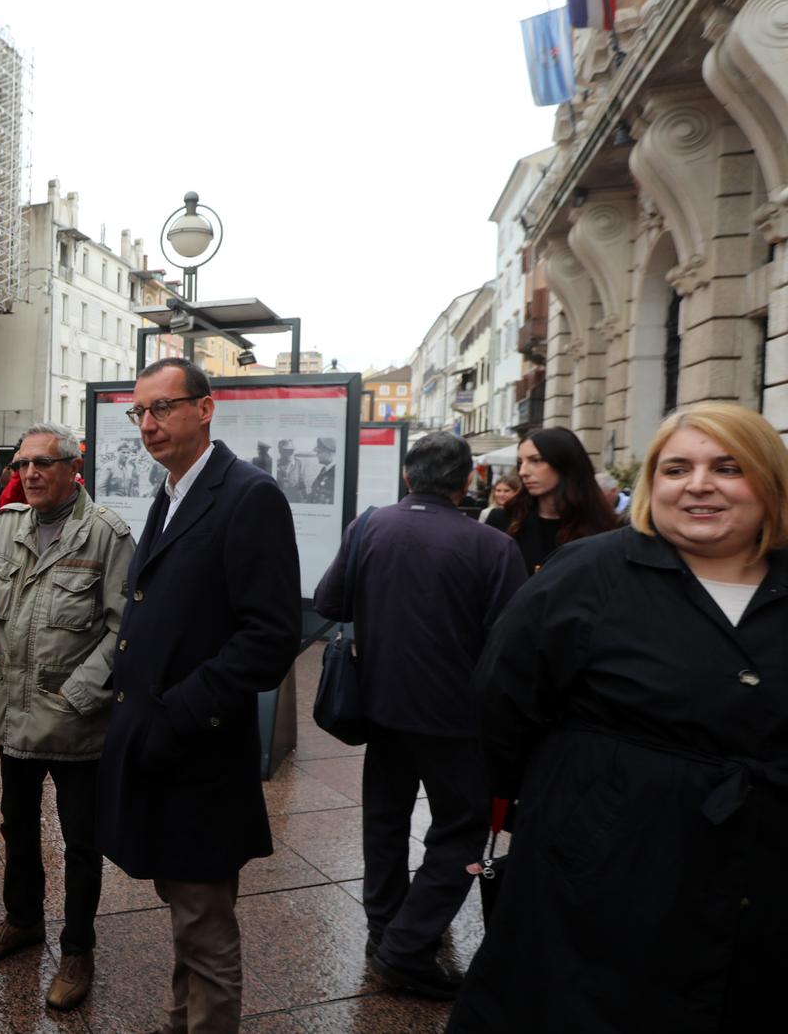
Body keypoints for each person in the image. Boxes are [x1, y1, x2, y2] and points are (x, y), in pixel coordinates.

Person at [448, 402, 788, 1032]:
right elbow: (502, 704)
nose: (699, 485)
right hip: (600, 867)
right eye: (677, 467)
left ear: (770, 481)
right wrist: (580, 808)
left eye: (728, 467)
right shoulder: (586, 574)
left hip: (756, 877)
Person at [97, 358, 302, 1034]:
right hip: (164, 747)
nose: (148, 424)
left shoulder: (248, 495)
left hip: (199, 752)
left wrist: (178, 711)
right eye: (140, 412)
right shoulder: (174, 489)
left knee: (206, 925)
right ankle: (179, 1019)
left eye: (164, 408)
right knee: (187, 909)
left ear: (206, 408)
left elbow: (270, 636)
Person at [313, 433, 526, 1000]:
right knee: (459, 831)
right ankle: (407, 948)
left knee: (383, 823)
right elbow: (513, 645)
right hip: (457, 718)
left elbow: (330, 602)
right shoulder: (493, 547)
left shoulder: (369, 526)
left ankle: (384, 931)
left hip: (379, 708)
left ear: (408, 476)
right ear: (467, 481)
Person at [0, 422, 135, 1011]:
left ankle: (77, 949)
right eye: (23, 465)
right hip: (15, 716)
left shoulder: (106, 536)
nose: (31, 474)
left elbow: (125, 631)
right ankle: (22, 922)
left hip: (76, 724)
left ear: (75, 468)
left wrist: (77, 695)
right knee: (16, 826)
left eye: (44, 464)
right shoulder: (7, 526)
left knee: (81, 840)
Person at [501, 427, 618, 573]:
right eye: (520, 462)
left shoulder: (606, 527)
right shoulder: (505, 519)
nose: (523, 472)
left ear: (564, 463)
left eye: (536, 460)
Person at [307, 437, 338, 504]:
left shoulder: (336, 472)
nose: (317, 455)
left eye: (319, 452)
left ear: (330, 453)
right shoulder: (325, 469)